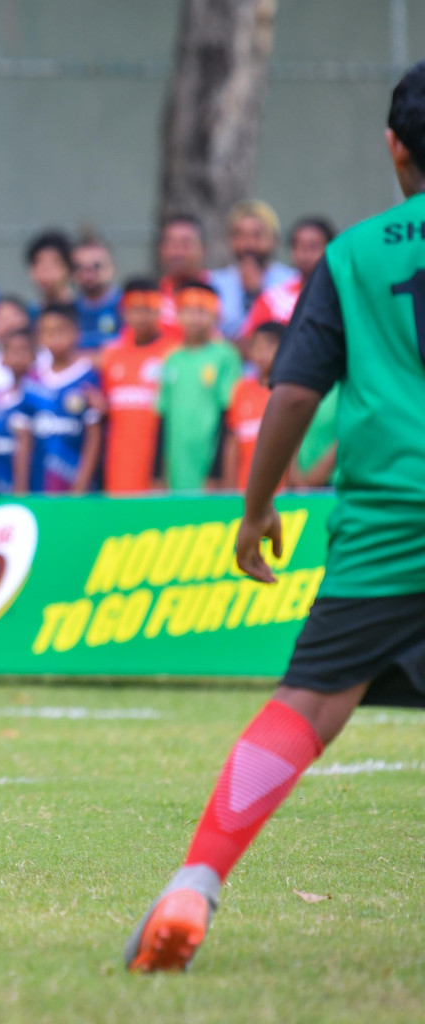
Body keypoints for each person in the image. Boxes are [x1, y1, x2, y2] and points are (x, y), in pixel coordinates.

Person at [124, 61, 425, 973]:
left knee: (306, 706)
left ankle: (195, 885)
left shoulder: (353, 255)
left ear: (394, 147)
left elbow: (292, 395)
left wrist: (256, 511)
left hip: (388, 524)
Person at [157, 282, 242, 491]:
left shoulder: (225, 356)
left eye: (202, 311)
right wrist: (158, 473)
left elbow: (228, 416)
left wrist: (217, 472)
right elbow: (163, 416)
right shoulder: (171, 359)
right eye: (187, 311)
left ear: (216, 315)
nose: (194, 318)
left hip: (208, 465)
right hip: (176, 467)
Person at [11, 304, 103, 495]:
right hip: (39, 488)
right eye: (47, 332)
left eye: (61, 330)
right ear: (39, 337)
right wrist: (20, 489)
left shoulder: (89, 377)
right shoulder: (31, 382)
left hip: (75, 489)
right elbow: (24, 440)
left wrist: (81, 487)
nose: (54, 337)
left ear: (76, 333)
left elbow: (94, 438)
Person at [99, 279, 180, 494]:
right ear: (124, 313)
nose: (141, 317)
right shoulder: (111, 355)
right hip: (118, 467)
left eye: (148, 310)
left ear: (159, 311)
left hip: (159, 468)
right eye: (134, 310)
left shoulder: (173, 353)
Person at [209, 199, 299, 341]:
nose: (248, 244)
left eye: (257, 235)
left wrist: (257, 293)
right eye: (240, 235)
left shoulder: (291, 282)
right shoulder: (214, 283)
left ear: (274, 240)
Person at [239, 216, 337, 338]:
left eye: (313, 247)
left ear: (330, 249)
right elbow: (249, 341)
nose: (305, 254)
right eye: (300, 247)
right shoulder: (273, 300)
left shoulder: (341, 296)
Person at [0, 328, 36, 495]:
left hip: (32, 491)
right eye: (13, 351)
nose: (18, 357)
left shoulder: (39, 397)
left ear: (36, 357)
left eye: (25, 350)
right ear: (2, 359)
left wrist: (20, 493)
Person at [222, 322, 281, 491]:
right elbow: (232, 442)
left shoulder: (286, 393)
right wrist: (228, 486)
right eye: (257, 346)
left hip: (281, 492)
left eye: (269, 346)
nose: (262, 353)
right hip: (244, 489)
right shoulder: (240, 390)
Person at [156, 214, 208, 335]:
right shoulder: (153, 296)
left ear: (204, 249)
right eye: (171, 245)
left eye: (186, 245)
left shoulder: (220, 293)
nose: (177, 253)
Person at [72, 234, 122, 352]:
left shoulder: (126, 307)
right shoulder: (68, 312)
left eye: (96, 266)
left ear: (112, 268)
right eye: (81, 267)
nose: (89, 274)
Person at [25, 229, 74, 313]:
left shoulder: (81, 313)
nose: (46, 273)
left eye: (54, 264)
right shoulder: (29, 314)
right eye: (39, 265)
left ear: (69, 269)